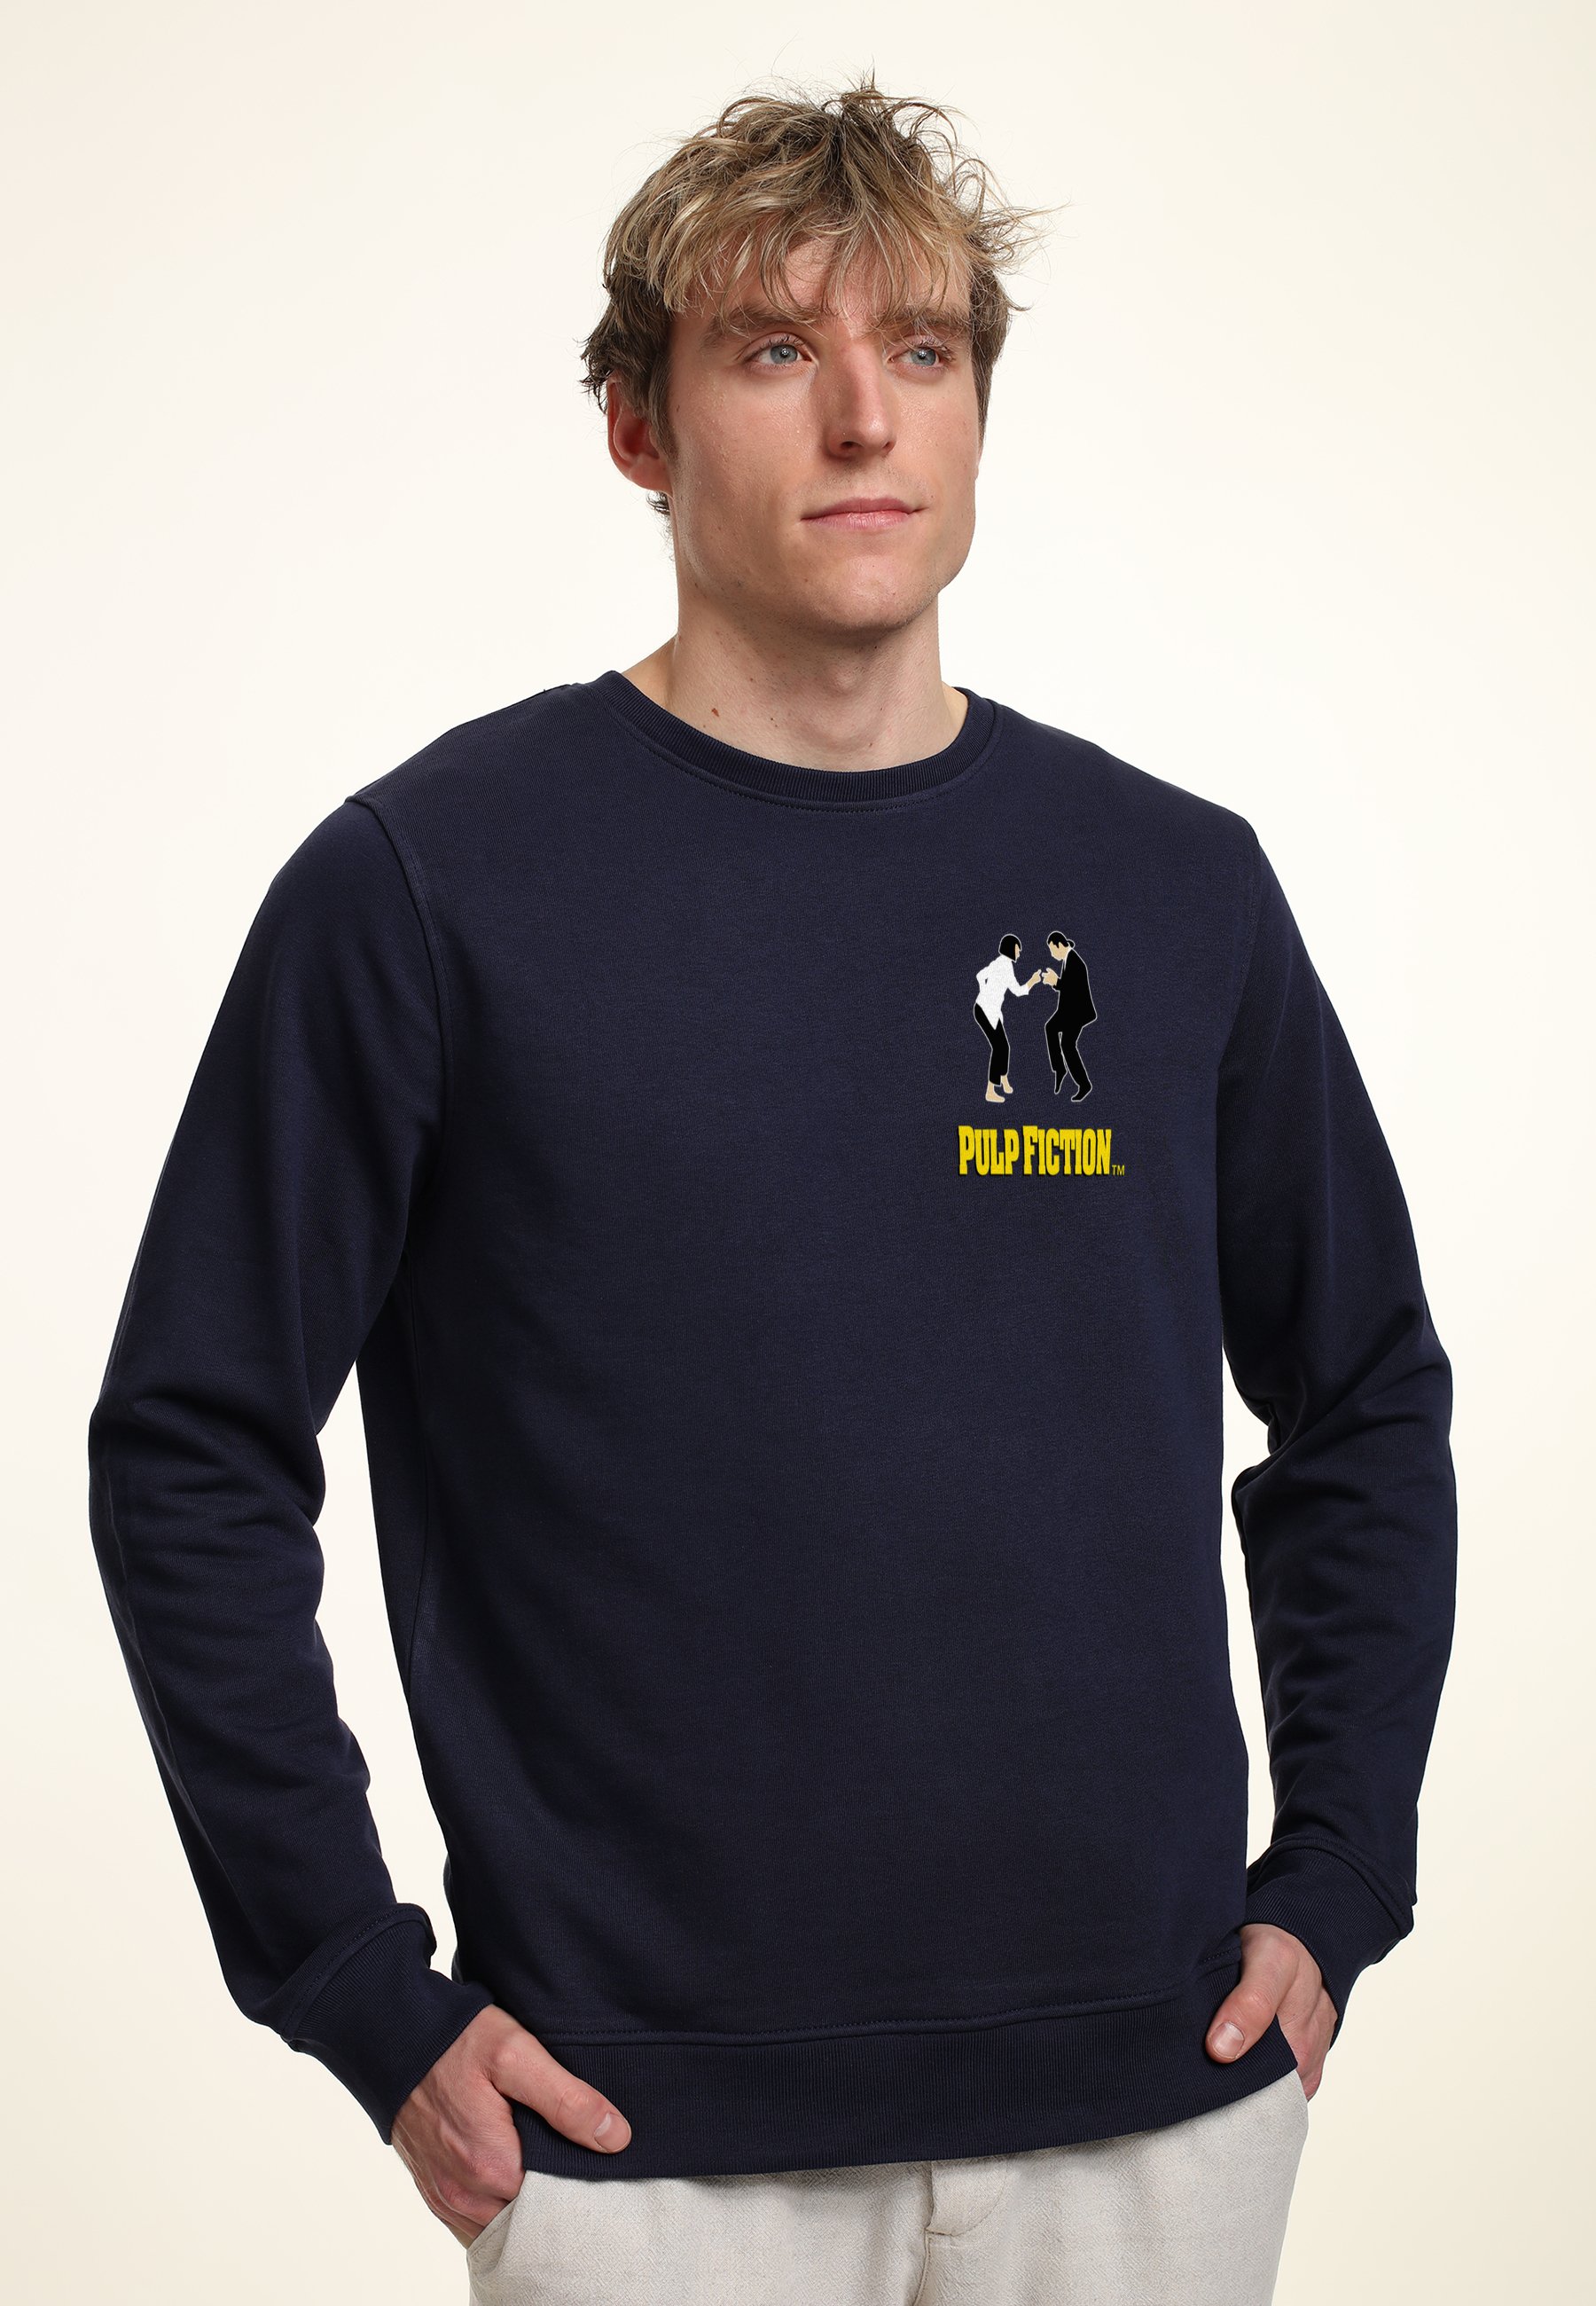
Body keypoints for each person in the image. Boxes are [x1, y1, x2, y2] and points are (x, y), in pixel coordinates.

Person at [85, 75, 1457, 2306]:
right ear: (640, 425)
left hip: (1154, 2112)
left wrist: (1339, 1878)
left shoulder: (1173, 885)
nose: (862, 420)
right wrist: (357, 1983)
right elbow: (190, 1444)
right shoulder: (426, 889)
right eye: (771, 350)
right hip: (642, 2150)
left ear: (980, 409)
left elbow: (1367, 1394)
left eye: (921, 350)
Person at [974, 932, 1042, 1101]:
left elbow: (980, 975)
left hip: (989, 1010)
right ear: (1011, 949)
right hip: (985, 1011)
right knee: (999, 1048)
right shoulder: (1004, 966)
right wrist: (1033, 981)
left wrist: (985, 994)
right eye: (1018, 949)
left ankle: (1004, 1080)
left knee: (1004, 1047)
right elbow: (1018, 991)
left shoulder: (1000, 962)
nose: (1019, 952)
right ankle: (990, 1091)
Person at [1042, 929, 1098, 1101]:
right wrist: (1056, 982)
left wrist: (1056, 982)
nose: (1052, 954)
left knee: (1067, 1044)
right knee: (1050, 1028)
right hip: (1068, 1011)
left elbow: (1073, 989)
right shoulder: (1068, 959)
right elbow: (1067, 986)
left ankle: (1084, 1084)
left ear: (1060, 945)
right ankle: (1060, 1068)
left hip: (1078, 1013)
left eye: (1052, 950)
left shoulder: (1076, 962)